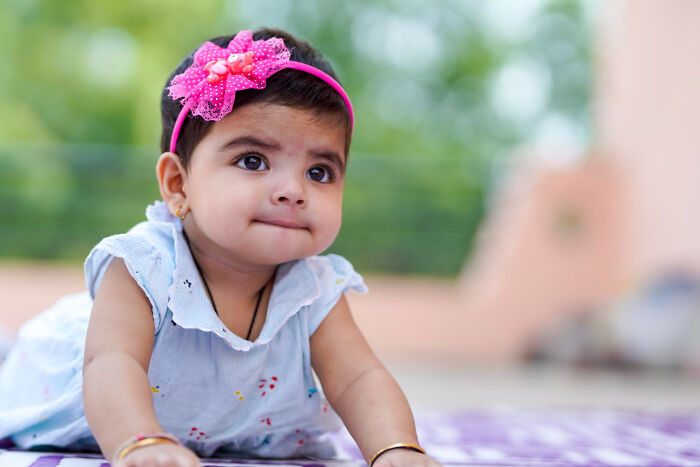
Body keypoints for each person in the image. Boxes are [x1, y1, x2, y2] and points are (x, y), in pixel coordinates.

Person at [0, 28, 441, 467]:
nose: (293, 190)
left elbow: (358, 378)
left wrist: (396, 449)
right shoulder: (144, 265)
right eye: (253, 161)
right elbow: (111, 361)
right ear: (178, 184)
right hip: (78, 393)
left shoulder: (313, 287)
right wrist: (141, 442)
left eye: (320, 172)